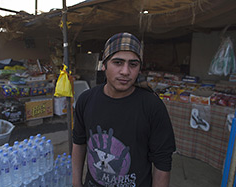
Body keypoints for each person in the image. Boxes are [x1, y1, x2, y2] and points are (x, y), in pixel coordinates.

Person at [72, 32, 176, 187]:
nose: (125, 71)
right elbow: (79, 144)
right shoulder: (86, 100)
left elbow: (162, 163)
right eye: (118, 62)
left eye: (133, 64)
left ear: (139, 68)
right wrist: (76, 183)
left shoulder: (152, 106)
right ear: (104, 65)